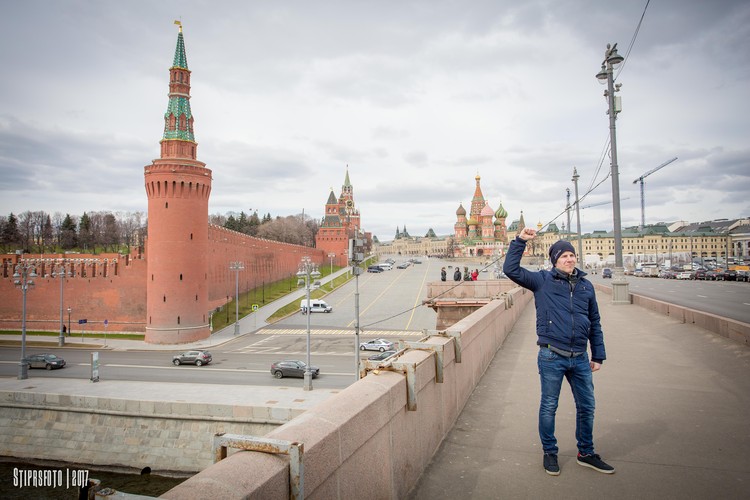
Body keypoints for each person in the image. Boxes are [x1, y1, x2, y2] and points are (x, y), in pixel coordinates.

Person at [503, 227, 614, 476]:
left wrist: (598, 354)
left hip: (581, 357)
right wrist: (520, 241)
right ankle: (550, 453)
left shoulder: (586, 287)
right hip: (552, 354)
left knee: (587, 406)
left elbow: (594, 321)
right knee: (549, 406)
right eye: (563, 256)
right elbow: (510, 269)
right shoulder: (542, 281)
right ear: (555, 260)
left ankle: (586, 452)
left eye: (572, 255)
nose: (569, 259)